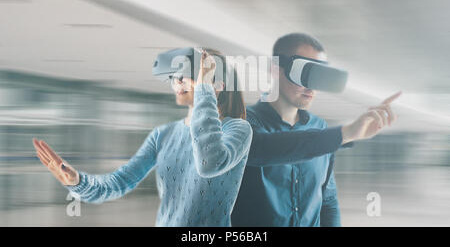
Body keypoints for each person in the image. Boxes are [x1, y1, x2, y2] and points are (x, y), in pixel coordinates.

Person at [33, 49, 252, 227]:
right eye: (175, 77)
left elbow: (208, 163)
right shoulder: (163, 135)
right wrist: (78, 182)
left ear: (218, 85)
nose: (178, 83)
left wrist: (204, 89)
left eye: (189, 76)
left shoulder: (238, 130)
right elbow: (118, 183)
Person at [231, 33, 401, 227]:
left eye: (318, 76)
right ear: (275, 70)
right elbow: (261, 149)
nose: (311, 87)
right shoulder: (241, 122)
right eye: (304, 73)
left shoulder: (320, 128)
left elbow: (327, 201)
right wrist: (345, 134)